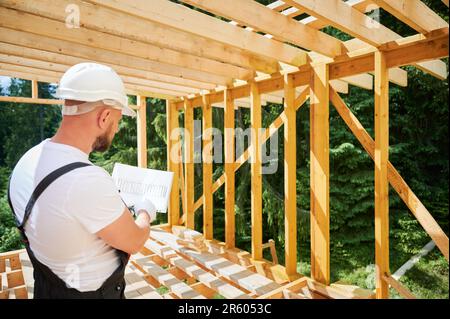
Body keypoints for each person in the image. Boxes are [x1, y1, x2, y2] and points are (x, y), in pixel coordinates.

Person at [7, 62, 156, 299]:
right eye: (117, 121)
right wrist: (146, 211)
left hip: (47, 289)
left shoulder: (28, 159)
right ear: (105, 116)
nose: (116, 129)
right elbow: (135, 241)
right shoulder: (85, 179)